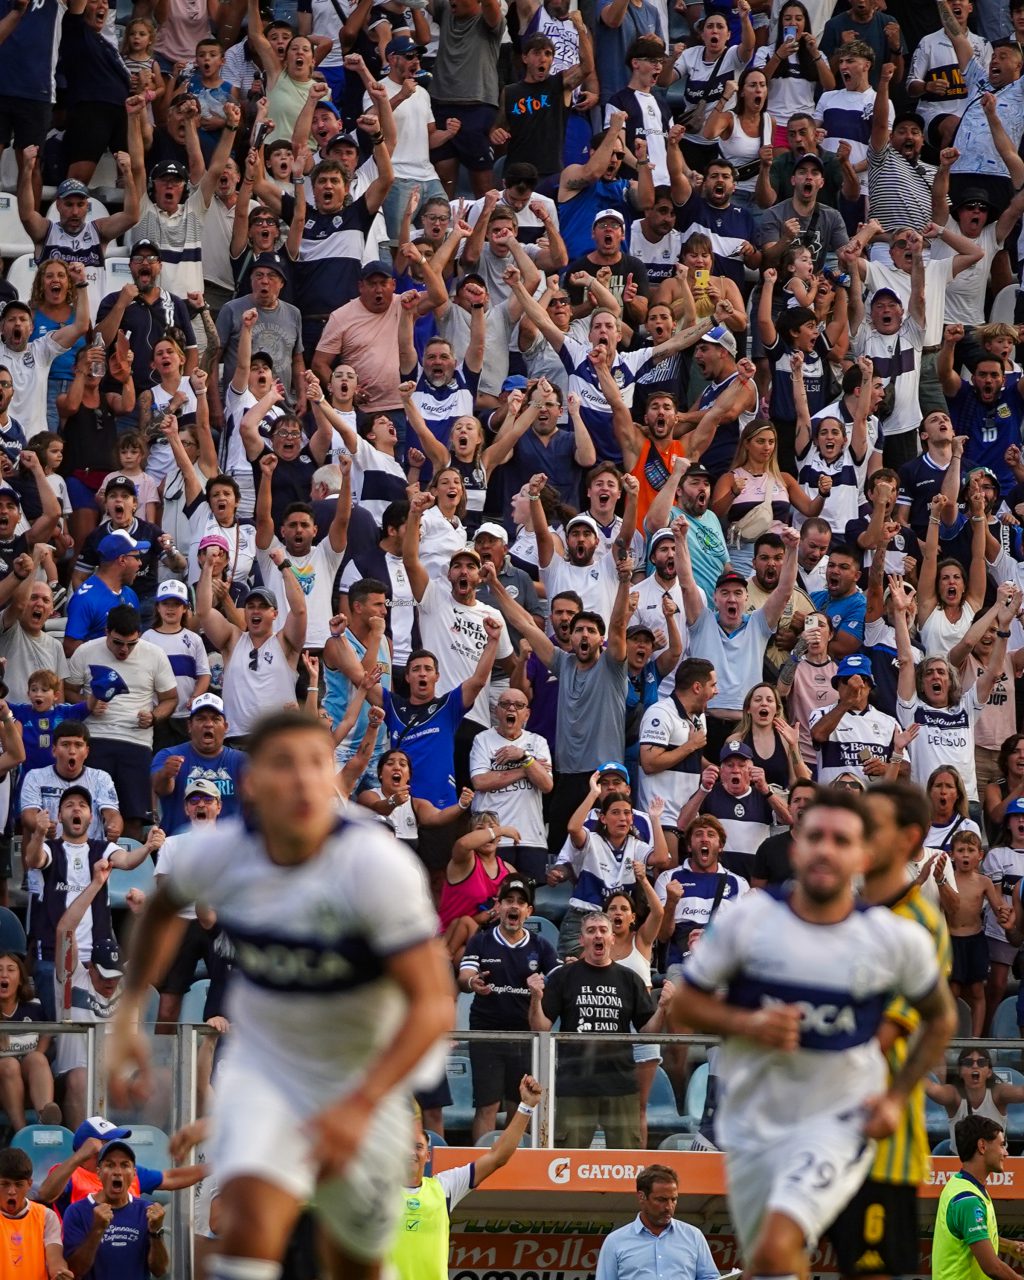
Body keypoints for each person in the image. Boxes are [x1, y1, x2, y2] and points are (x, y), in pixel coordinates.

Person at [106, 710, 455, 1280]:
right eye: (283, 764)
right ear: (250, 782)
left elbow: (434, 1005)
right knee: (247, 1226)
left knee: (354, 1261)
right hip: (266, 1066)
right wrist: (127, 1015)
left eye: (316, 763)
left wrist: (359, 1104)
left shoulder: (376, 865)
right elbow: (164, 909)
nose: (302, 779)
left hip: (361, 1069)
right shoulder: (220, 852)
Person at [671, 787, 955, 1280]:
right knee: (769, 1264)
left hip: (837, 1120)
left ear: (861, 855)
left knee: (780, 1248)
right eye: (815, 836)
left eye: (841, 840)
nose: (826, 849)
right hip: (754, 1119)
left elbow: (941, 1017)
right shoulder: (748, 919)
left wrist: (895, 1097)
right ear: (795, 847)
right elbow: (685, 1003)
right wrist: (748, 1023)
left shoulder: (895, 937)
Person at [528, 910, 675, 1148]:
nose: (598, 935)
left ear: (612, 938)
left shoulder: (630, 979)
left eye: (603, 930)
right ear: (581, 939)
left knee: (625, 1161)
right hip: (574, 1084)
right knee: (568, 1160)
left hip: (620, 1084)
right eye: (591, 931)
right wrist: (535, 998)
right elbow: (540, 1027)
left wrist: (663, 1008)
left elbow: (648, 1032)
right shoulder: (564, 976)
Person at [390, 1074, 544, 1280]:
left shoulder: (444, 1187)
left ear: (428, 1155)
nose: (412, 1152)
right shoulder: (379, 1192)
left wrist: (526, 1106)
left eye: (418, 1146)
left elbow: (497, 1157)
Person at [457, 875, 557, 1141]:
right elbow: (464, 976)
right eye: (509, 900)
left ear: (529, 911)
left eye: (520, 903)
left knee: (519, 1105)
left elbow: (559, 979)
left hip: (525, 1037)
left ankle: (513, 1161)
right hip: (487, 1034)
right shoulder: (481, 941)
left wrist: (548, 982)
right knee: (487, 1106)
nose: (514, 906)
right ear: (498, 906)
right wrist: (472, 982)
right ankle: (481, 1164)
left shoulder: (541, 946)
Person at [65, 604, 178, 841]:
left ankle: (129, 864)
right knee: (89, 812)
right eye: (118, 643)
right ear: (106, 631)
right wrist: (87, 704)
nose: (124, 649)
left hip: (136, 742)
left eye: (131, 644)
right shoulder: (86, 651)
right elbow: (68, 691)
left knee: (134, 817)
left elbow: (170, 698)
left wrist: (154, 716)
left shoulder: (154, 654)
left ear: (139, 636)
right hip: (94, 739)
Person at [196, 555, 307, 745]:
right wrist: (207, 567)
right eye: (251, 606)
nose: (256, 611)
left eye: (263, 606)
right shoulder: (232, 639)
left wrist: (284, 566)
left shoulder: (285, 642)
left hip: (277, 742)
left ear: (275, 614)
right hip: (236, 740)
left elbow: (300, 610)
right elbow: (203, 612)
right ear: (245, 612)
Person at [931, 1116, 1024, 1280]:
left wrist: (1008, 1246)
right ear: (982, 1146)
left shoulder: (960, 1184)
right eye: (1002, 1145)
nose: (1006, 1153)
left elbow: (973, 1234)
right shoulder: (968, 1200)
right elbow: (993, 1268)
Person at [61, 1139, 168, 1280]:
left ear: (134, 1173)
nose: (117, 1172)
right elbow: (75, 1270)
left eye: (125, 1165)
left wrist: (156, 1232)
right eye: (110, 1165)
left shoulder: (146, 1211)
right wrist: (97, 1230)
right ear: (98, 1172)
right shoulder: (77, 1211)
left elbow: (160, 1270)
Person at [595, 1164, 719, 1280]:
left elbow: (710, 1277)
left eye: (673, 1199)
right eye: (661, 1200)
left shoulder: (694, 1236)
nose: (669, 1207)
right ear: (641, 1197)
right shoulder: (615, 1242)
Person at [0, 1147, 70, 1280]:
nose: (11, 1191)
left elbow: (55, 1258)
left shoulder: (46, 1216)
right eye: (5, 1184)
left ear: (29, 1184)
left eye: (18, 1184)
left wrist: (60, 1272)